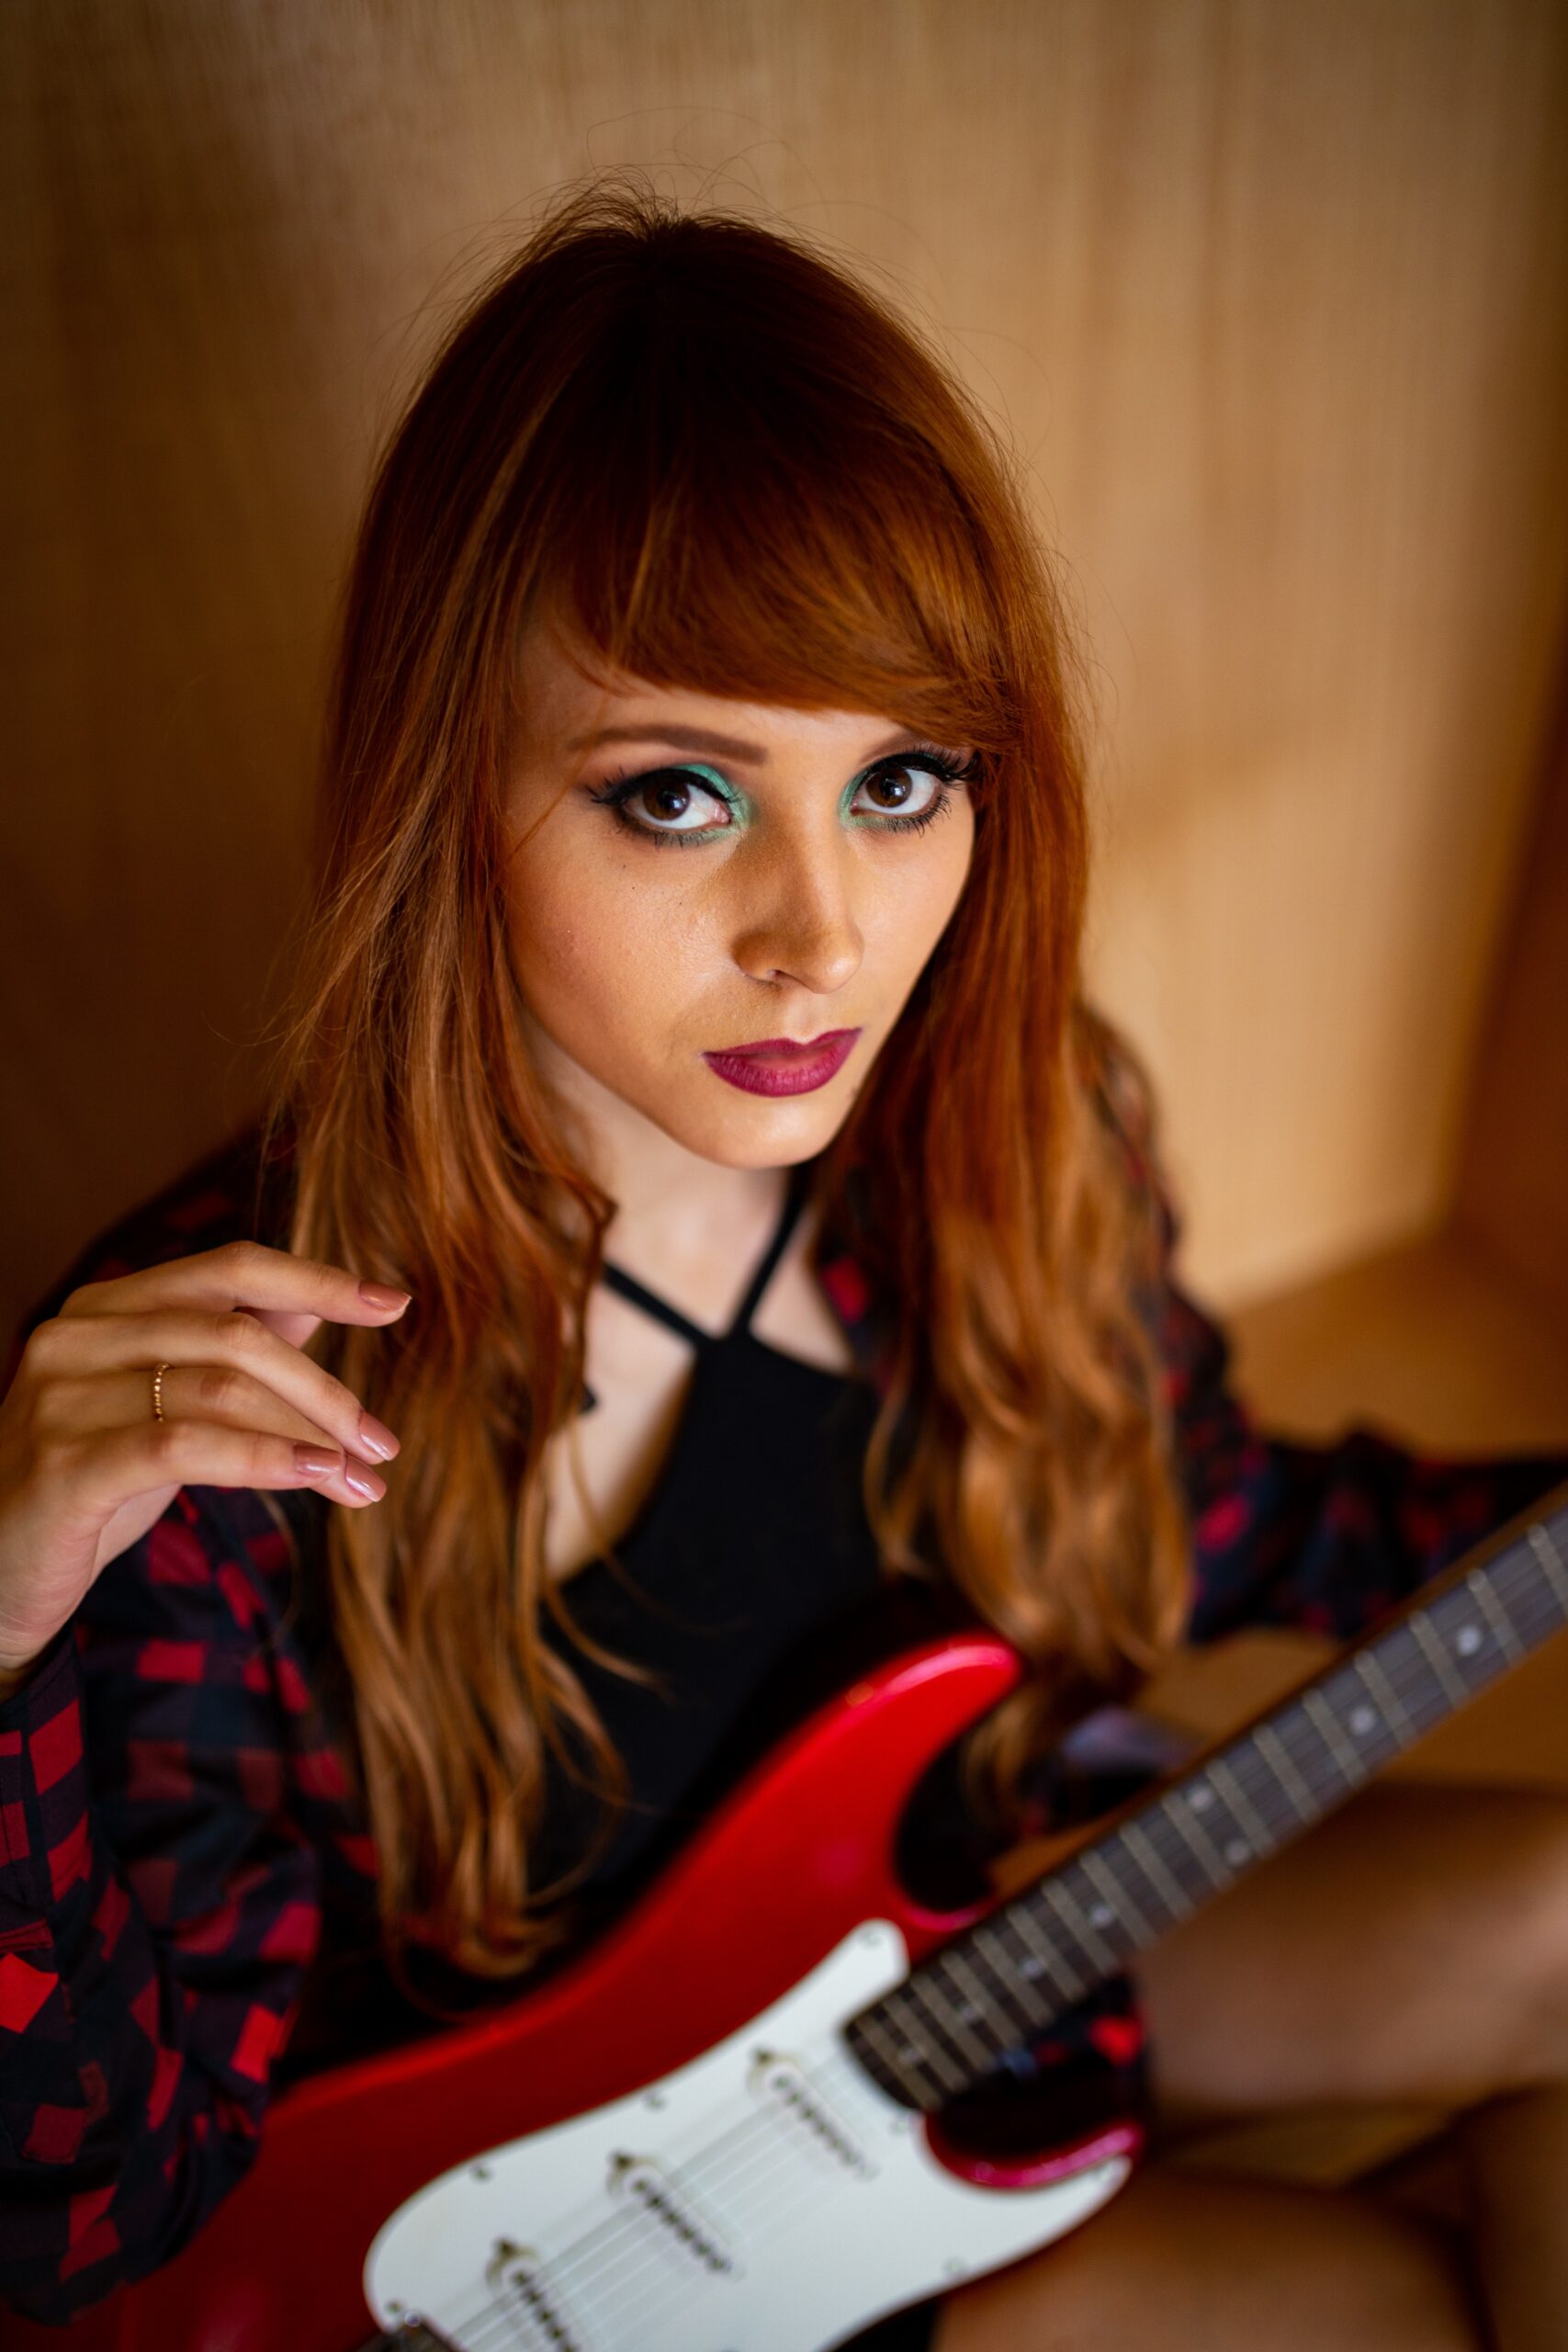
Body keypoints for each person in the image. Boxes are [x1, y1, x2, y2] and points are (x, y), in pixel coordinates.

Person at [1, 181, 1565, 2352]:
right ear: (448, 788)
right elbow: (89, 2211)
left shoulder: (1008, 1139)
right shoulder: (226, 1398)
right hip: (633, 2248)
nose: (820, 935)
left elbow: (1206, 1505)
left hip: (958, 1963)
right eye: (676, 796)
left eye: (902, 778)